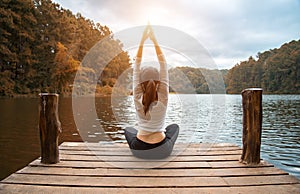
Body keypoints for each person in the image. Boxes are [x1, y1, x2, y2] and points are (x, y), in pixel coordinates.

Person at [124, 25, 179, 159]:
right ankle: (159, 133)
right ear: (159, 82)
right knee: (174, 127)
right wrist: (154, 41)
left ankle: (151, 133)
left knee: (128, 130)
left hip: (139, 150)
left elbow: (136, 64)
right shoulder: (163, 95)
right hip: (162, 151)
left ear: (140, 83)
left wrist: (142, 41)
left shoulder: (137, 96)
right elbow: (163, 64)